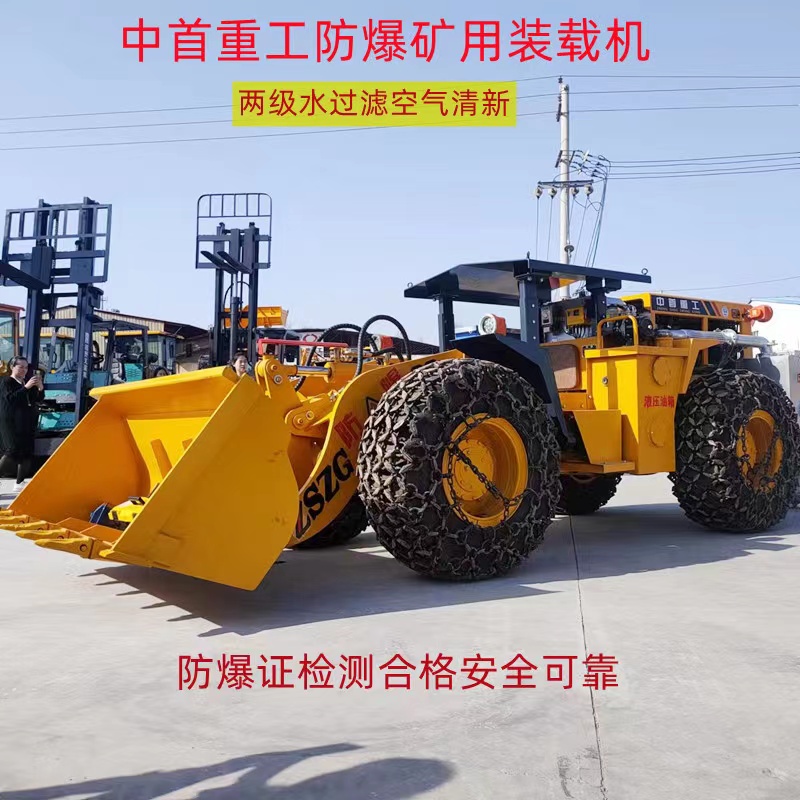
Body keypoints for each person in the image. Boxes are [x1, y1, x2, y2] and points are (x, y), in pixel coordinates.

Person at [0, 356, 44, 484]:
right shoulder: (6, 381)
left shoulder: (25, 383)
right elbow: (10, 399)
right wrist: (26, 387)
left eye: (26, 367)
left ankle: (19, 483)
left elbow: (36, 400)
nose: (24, 370)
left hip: (25, 421)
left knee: (27, 452)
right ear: (12, 367)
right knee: (12, 451)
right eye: (20, 367)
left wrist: (40, 387)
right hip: (10, 421)